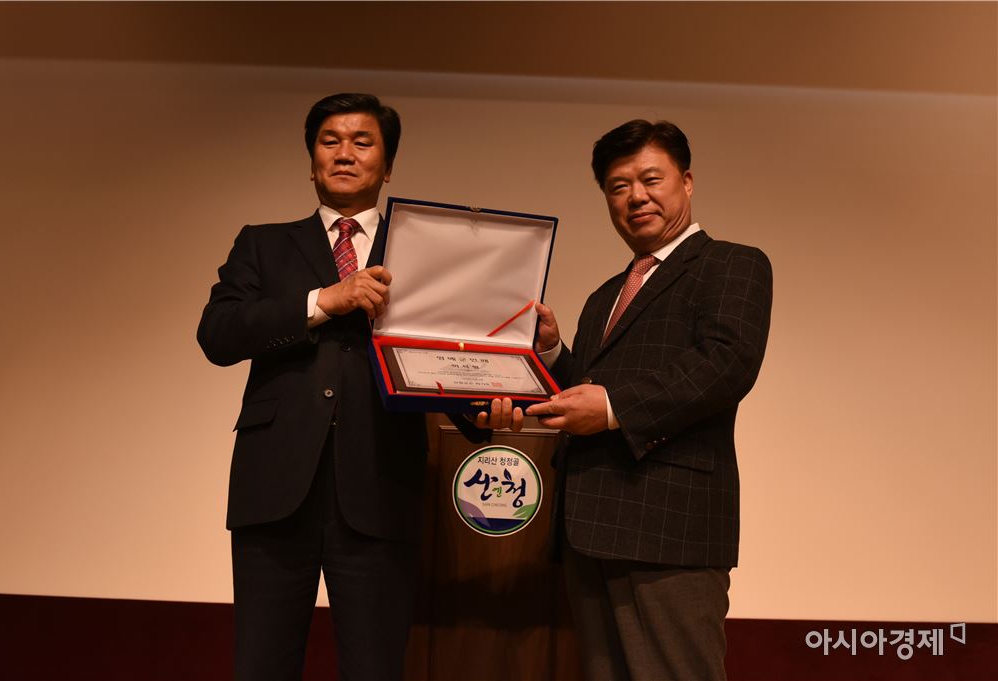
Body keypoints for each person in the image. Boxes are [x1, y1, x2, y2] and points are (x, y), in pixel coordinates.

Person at [197, 93, 503, 681]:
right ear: (311, 162)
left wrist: (481, 409)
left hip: (382, 483)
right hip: (274, 485)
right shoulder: (262, 243)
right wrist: (322, 301)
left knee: (375, 666)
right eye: (329, 141)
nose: (344, 153)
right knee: (262, 664)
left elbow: (450, 354)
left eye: (362, 142)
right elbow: (218, 334)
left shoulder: (426, 251)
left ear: (387, 167)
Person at [523, 119, 773, 680]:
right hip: (588, 528)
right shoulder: (603, 297)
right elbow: (589, 387)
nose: (636, 196)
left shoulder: (734, 263)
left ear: (687, 182)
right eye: (618, 186)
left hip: (670, 529)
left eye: (651, 179)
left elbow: (726, 364)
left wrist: (614, 409)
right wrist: (554, 353)